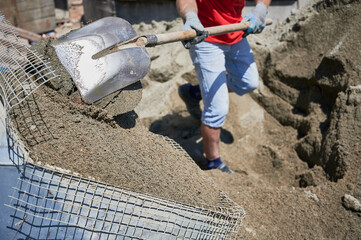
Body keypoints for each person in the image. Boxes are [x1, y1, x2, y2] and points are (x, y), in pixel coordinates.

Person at [176, 0, 271, 173]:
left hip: (235, 31)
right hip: (204, 35)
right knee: (217, 108)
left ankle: (194, 93)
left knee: (247, 82)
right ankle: (213, 162)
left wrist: (260, 10)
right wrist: (190, 16)